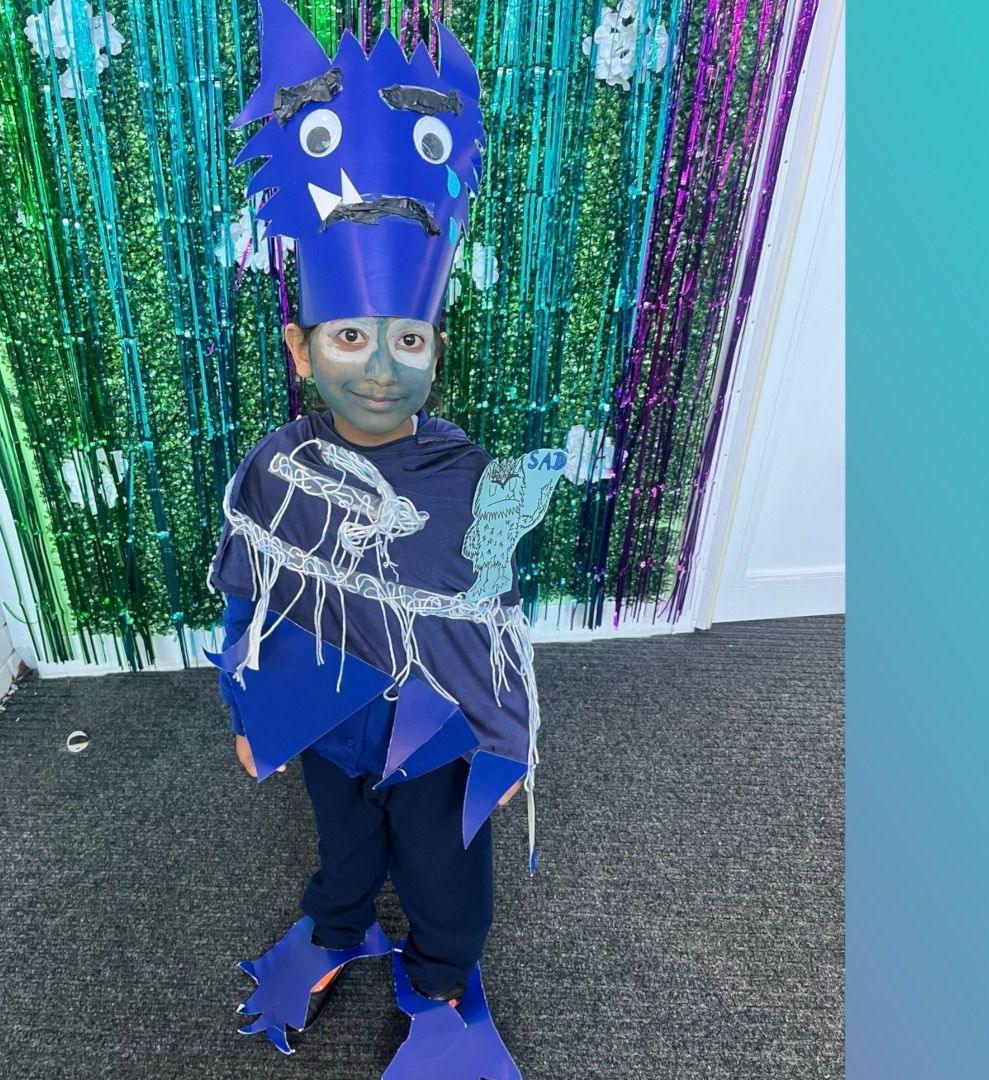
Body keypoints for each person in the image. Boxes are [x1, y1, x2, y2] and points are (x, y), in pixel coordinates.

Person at [204, 3, 564, 1076]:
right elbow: (248, 595)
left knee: (446, 869)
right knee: (345, 844)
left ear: (434, 348)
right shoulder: (278, 469)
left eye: (406, 339)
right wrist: (247, 706)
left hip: (437, 740)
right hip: (323, 723)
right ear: (302, 348)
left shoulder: (463, 480)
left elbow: (490, 633)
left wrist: (499, 740)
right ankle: (340, 921)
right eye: (351, 337)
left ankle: (445, 979)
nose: (380, 365)